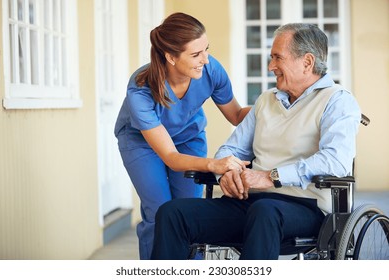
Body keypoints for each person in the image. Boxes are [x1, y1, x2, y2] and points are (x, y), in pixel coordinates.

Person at [151, 23, 361, 260]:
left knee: (264, 211)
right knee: (172, 213)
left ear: (307, 62)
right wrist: (226, 173)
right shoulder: (266, 101)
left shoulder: (337, 101)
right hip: (251, 203)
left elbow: (336, 161)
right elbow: (231, 148)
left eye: (277, 58)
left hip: (306, 207)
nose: (271, 66)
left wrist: (271, 176)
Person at [114, 12, 250, 260]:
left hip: (188, 137)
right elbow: (170, 156)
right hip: (141, 143)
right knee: (160, 211)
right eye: (196, 54)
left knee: (189, 212)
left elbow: (238, 115)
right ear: (171, 57)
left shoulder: (211, 70)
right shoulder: (141, 89)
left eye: (206, 50)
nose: (205, 60)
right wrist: (213, 163)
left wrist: (275, 106)